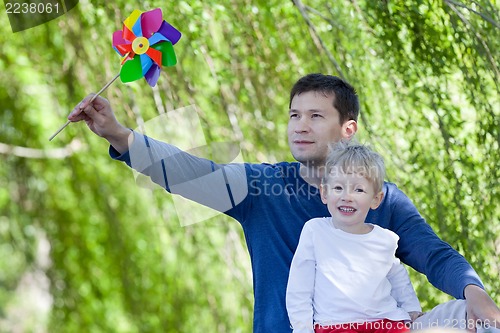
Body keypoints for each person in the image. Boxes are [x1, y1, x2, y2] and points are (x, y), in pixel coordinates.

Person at [67, 73, 500, 333]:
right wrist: (117, 134)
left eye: (316, 116)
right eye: (294, 115)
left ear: (347, 128)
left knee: (471, 318)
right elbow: (190, 172)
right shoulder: (261, 187)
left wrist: (475, 291)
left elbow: (434, 254)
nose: (300, 126)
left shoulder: (381, 198)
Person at [286, 142, 422, 333]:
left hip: (384, 321)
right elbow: (300, 287)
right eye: (339, 188)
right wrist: (303, 329)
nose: (347, 197)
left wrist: (411, 308)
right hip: (335, 325)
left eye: (358, 190)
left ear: (376, 199)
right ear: (325, 193)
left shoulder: (385, 239)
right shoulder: (315, 231)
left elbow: (398, 279)